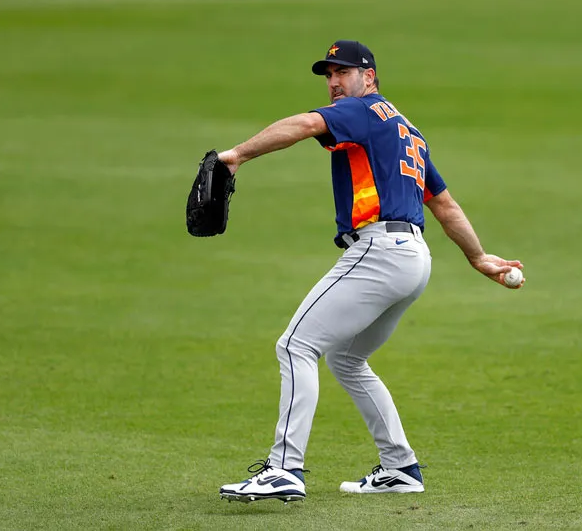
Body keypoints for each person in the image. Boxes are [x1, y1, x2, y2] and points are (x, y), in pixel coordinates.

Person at [217, 40, 524, 504]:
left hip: (379, 252)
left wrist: (236, 155)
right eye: (329, 74)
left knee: (296, 345)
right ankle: (400, 468)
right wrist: (478, 257)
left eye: (343, 72)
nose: (334, 83)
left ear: (370, 77)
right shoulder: (407, 130)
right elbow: (442, 202)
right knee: (346, 359)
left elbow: (304, 124)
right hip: (414, 259)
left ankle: (284, 469)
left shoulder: (362, 111)